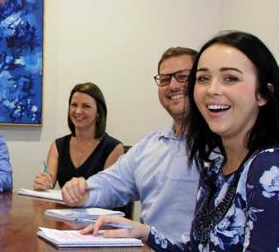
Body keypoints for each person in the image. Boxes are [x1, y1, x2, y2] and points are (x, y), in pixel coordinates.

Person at [85, 31, 279, 250]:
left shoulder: (268, 167)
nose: (213, 90)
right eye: (203, 79)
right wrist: (145, 233)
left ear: (263, 94)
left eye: (230, 78)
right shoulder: (215, 169)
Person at [61, 47, 200, 242]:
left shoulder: (222, 148)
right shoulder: (150, 145)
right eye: (165, 79)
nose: (173, 86)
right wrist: (82, 192)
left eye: (183, 77)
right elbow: (111, 183)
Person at [32, 82, 124, 190]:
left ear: (98, 113)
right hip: (61, 207)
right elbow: (49, 183)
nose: (78, 111)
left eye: (86, 106)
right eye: (74, 105)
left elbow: (109, 194)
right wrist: (43, 185)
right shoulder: (58, 146)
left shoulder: (113, 148)